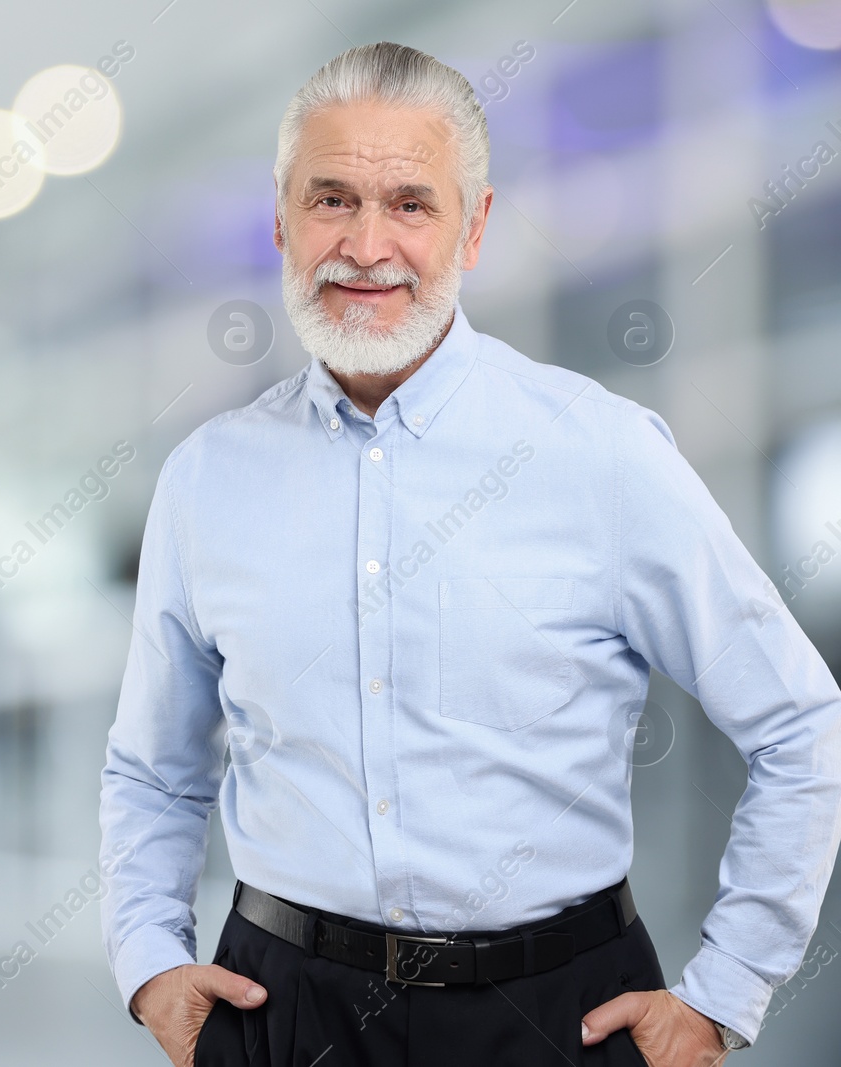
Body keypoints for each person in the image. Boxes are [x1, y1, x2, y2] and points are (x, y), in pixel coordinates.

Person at [97, 40, 841, 1067]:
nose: (366, 244)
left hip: (558, 1014)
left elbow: (798, 720)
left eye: (410, 202)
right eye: (329, 200)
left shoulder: (601, 453)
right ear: (279, 222)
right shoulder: (205, 480)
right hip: (283, 1009)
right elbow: (152, 767)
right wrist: (147, 962)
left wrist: (724, 992)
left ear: (474, 227)